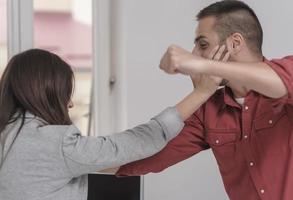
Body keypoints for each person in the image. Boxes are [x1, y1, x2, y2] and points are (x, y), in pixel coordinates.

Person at [116, 1, 293, 200]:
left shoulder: (288, 71)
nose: (194, 55)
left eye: (203, 45)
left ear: (235, 43)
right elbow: (145, 156)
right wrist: (79, 157)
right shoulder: (209, 111)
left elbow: (281, 84)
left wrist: (203, 65)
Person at [0, 48, 227, 200]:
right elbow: (139, 141)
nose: (69, 104)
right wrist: (201, 92)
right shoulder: (54, 144)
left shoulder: (7, 134)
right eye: (64, 95)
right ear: (44, 94)